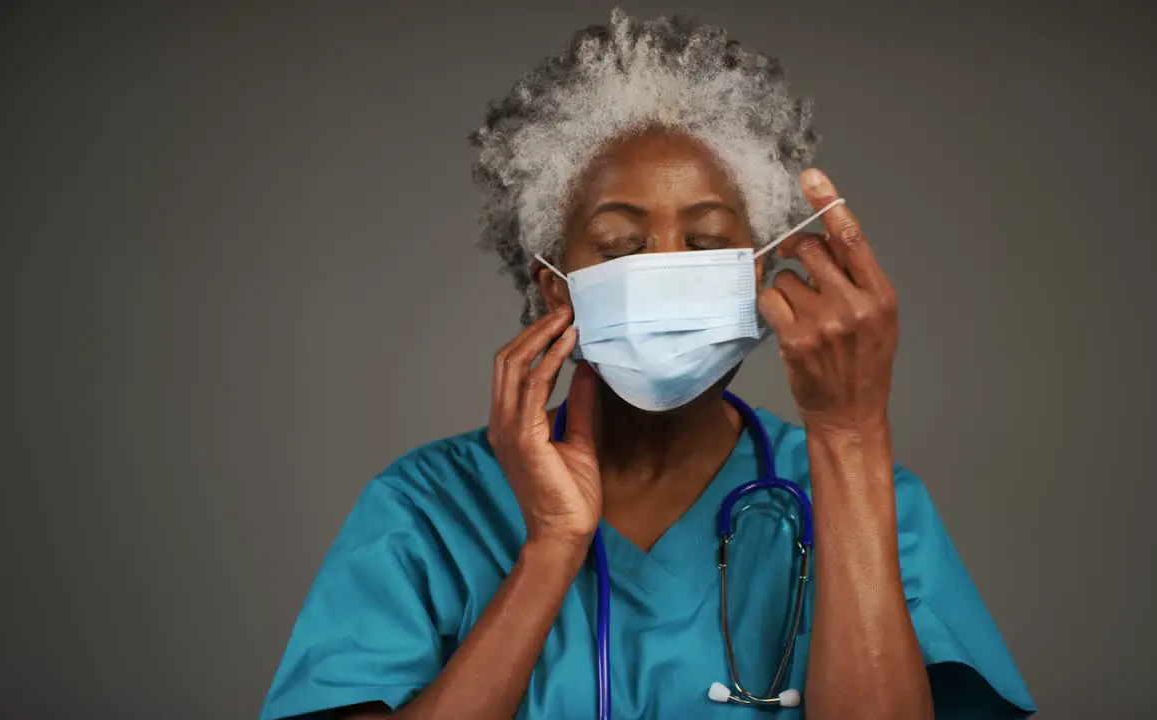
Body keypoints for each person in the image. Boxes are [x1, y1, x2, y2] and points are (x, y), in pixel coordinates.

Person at [259, 10, 1036, 720]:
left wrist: (850, 433)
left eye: (704, 243)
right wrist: (551, 550)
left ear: (757, 270)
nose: (666, 267)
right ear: (554, 286)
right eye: (623, 245)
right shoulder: (430, 510)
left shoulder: (867, 495)